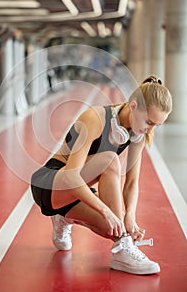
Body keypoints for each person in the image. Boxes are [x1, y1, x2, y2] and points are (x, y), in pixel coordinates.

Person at [31, 75, 172, 275]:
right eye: (149, 122)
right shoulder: (95, 118)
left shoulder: (138, 133)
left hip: (77, 192)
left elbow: (132, 183)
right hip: (51, 184)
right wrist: (107, 211)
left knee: (111, 228)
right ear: (133, 106)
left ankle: (63, 219)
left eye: (157, 125)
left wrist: (128, 217)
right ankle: (122, 249)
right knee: (110, 161)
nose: (151, 129)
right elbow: (70, 177)